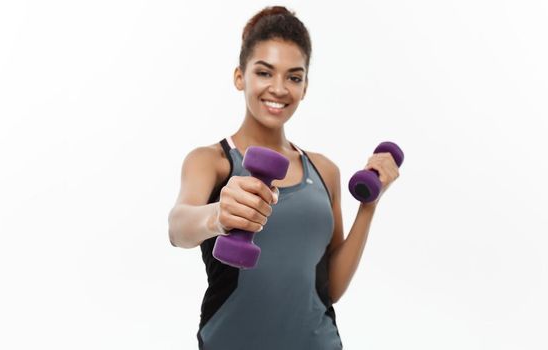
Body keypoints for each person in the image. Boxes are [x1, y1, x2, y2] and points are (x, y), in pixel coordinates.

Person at [167, 6, 401, 349]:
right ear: (239, 77)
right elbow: (178, 228)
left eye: (294, 77)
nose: (279, 88)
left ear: (305, 87)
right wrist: (217, 215)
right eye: (264, 72)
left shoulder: (324, 170)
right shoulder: (212, 161)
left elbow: (330, 288)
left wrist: (369, 206)